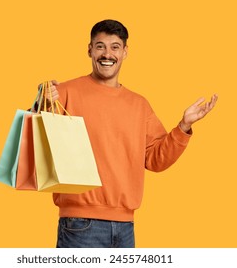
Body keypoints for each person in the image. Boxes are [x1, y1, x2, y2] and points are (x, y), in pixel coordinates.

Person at [34, 19, 218, 248]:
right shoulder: (63, 92)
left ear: (125, 52)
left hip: (125, 227)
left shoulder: (139, 105)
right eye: (100, 46)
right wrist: (40, 104)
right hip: (79, 224)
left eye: (114, 47)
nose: (107, 54)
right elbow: (37, 142)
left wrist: (183, 126)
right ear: (89, 50)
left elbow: (156, 159)